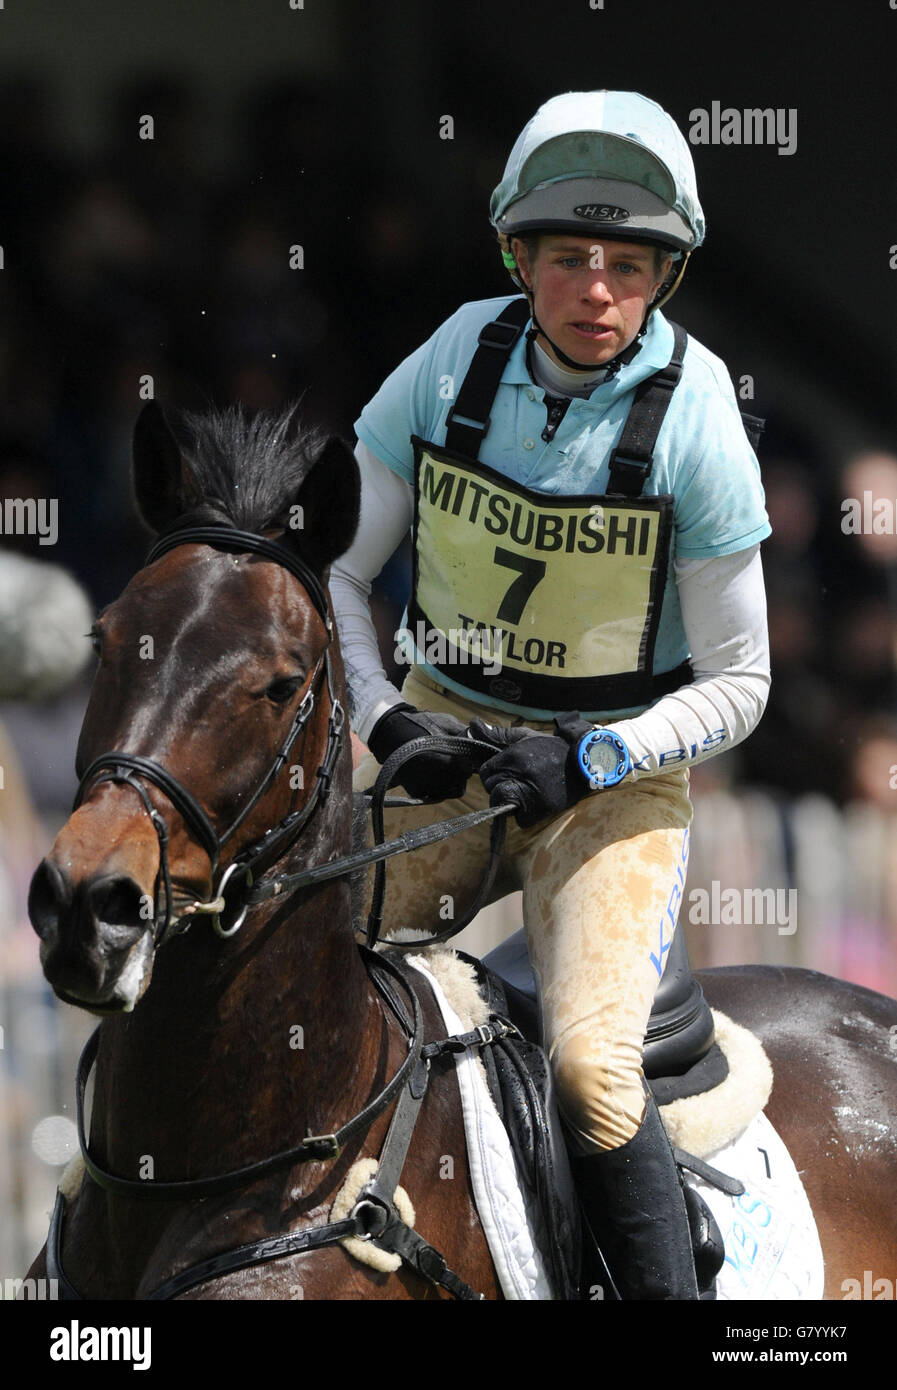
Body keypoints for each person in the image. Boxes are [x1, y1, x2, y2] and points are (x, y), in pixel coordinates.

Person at [330, 90, 771, 1300]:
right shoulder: (449, 358)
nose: (596, 291)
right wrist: (382, 714)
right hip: (441, 745)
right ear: (516, 257)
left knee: (592, 1074)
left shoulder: (700, 421)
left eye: (629, 264)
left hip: (610, 787)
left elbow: (744, 685)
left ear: (664, 277)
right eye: (569, 257)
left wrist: (591, 758)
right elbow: (340, 566)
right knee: (285, 962)